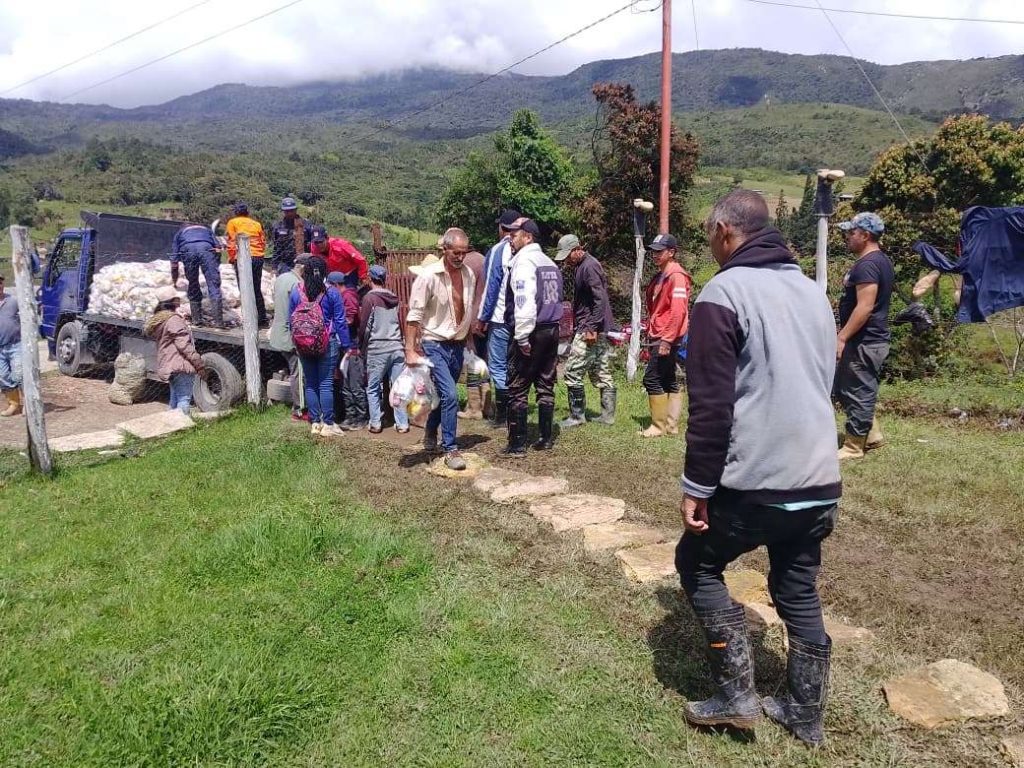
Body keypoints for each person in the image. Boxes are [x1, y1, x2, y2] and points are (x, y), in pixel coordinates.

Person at [675, 190, 841, 745]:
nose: (707, 243)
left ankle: (737, 695)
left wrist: (697, 486)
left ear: (725, 231)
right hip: (818, 478)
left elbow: (712, 405)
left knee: (697, 563)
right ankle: (804, 710)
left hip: (756, 483)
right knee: (797, 585)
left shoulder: (725, 293)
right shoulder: (813, 293)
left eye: (707, 233)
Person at [405, 229, 477, 471]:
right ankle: (450, 448)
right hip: (434, 342)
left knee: (441, 395)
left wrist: (467, 340)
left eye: (464, 253)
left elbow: (465, 309)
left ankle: (429, 432)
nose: (460, 257)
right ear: (444, 250)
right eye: (455, 252)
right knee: (450, 396)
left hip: (456, 344)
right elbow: (414, 315)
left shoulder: (468, 274)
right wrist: (410, 350)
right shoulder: (427, 276)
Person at [500, 217, 563, 457]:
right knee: (546, 384)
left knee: (518, 385)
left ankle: (517, 444)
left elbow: (524, 302)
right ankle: (545, 438)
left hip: (532, 329)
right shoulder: (548, 262)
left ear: (528, 237)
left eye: (514, 235)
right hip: (552, 329)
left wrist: (522, 337)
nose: (510, 238)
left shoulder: (524, 262)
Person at [835, 212, 894, 460]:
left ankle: (854, 446)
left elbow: (865, 307)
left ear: (865, 235)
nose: (848, 237)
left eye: (852, 232)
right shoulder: (878, 261)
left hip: (865, 340)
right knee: (846, 387)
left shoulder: (869, 265)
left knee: (859, 389)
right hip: (867, 339)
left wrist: (842, 337)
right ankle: (872, 434)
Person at [554, 234, 616, 428]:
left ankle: (577, 416)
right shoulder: (584, 265)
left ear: (577, 249)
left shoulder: (589, 267)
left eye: (568, 255)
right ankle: (607, 416)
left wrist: (592, 327)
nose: (566, 260)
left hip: (590, 327)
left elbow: (600, 299)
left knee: (572, 371)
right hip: (596, 326)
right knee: (601, 371)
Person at [288, 256, 353, 437]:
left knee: (311, 384)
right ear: (325, 272)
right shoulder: (332, 293)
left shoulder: (296, 292)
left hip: (303, 344)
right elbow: (340, 322)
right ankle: (328, 424)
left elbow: (290, 321)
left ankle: (315, 423)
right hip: (327, 342)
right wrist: (347, 345)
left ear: (304, 272)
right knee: (325, 384)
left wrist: (297, 342)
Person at [640, 233, 692, 438]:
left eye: (660, 251)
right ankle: (671, 426)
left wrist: (667, 340)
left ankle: (658, 426)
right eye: (653, 251)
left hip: (666, 336)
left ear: (671, 252)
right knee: (670, 379)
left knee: (651, 379)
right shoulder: (663, 274)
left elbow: (678, 311)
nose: (655, 255)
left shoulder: (676, 276)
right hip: (660, 333)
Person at [473, 209, 519, 428]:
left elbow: (490, 288)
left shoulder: (498, 250)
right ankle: (516, 411)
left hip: (500, 318)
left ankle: (502, 417)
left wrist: (482, 318)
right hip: (523, 320)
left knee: (498, 366)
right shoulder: (527, 249)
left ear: (502, 228)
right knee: (516, 365)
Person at [359, 264, 408, 434]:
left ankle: (375, 423)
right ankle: (402, 424)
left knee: (372, 388)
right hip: (396, 347)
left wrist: (361, 347)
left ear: (370, 279)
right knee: (398, 387)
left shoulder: (369, 299)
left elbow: (365, 327)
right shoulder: (394, 298)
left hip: (377, 348)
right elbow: (401, 323)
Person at [143, 286, 207, 414]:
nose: (179, 300)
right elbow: (185, 346)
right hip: (180, 366)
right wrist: (199, 365)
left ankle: (170, 426)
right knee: (184, 399)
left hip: (169, 365)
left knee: (174, 400)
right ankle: (183, 428)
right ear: (173, 301)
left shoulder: (160, 320)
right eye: (177, 298)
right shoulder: (173, 320)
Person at [269, 254, 309, 421]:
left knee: (294, 370)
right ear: (304, 268)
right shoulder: (297, 284)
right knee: (298, 373)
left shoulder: (281, 278)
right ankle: (299, 409)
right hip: (290, 336)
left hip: (278, 332)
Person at [457, 234, 488, 421]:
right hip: (488, 318)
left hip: (472, 319)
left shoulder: (465, 263)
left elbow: (463, 297)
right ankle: (487, 405)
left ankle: (474, 408)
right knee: (484, 362)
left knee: (472, 362)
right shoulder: (483, 259)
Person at [171, 222, 223, 327]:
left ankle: (197, 320)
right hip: (207, 249)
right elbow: (218, 247)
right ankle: (218, 322)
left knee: (193, 282)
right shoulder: (206, 229)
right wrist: (215, 264)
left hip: (188, 250)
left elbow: (174, 262)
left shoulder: (180, 233)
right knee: (213, 284)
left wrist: (174, 281)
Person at [225, 202, 268, 327]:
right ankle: (262, 319)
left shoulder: (233, 223)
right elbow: (262, 241)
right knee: (256, 288)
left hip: (244, 258)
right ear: (247, 213)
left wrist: (232, 258)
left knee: (244, 289)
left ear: (236, 213)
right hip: (258, 257)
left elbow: (232, 242)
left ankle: (250, 320)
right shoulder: (256, 224)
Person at [335, 270, 368, 430]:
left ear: (335, 285)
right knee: (346, 386)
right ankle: (350, 416)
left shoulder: (348, 295)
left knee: (355, 385)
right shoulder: (342, 296)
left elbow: (351, 316)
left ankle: (361, 418)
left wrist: (337, 323)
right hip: (344, 348)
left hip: (353, 348)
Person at [271, 197, 313, 275]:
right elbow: (276, 248)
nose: (289, 213)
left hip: (303, 263)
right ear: (283, 211)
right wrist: (274, 267)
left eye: (291, 210)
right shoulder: (278, 226)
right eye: (287, 211)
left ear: (296, 210)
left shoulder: (305, 224)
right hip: (285, 265)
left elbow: (313, 245)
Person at [0, 275, 22, 418]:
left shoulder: (13, 301)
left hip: (16, 345)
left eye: (0, 282)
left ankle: (30, 405)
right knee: (3, 376)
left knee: (20, 375)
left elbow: (29, 313)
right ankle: (14, 404)